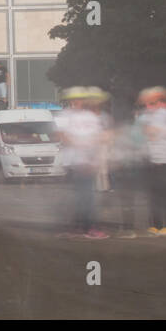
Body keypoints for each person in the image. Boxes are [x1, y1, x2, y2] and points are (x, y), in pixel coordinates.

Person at [56, 87, 110, 239]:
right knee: (81, 195)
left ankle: (86, 226)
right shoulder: (64, 115)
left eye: (80, 99)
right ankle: (84, 226)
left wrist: (94, 157)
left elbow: (98, 138)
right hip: (72, 161)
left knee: (86, 195)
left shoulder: (90, 117)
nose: (77, 102)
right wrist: (79, 144)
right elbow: (61, 135)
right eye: (74, 99)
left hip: (87, 161)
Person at [137, 87, 166, 235]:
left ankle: (155, 225)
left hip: (156, 159)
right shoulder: (163, 113)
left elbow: (148, 133)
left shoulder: (146, 116)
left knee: (156, 194)